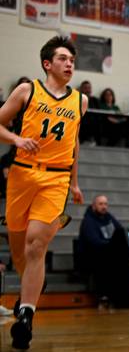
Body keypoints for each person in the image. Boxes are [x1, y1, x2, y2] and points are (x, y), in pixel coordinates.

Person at [0, 36, 86, 350]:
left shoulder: (81, 101)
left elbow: (74, 143)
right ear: (47, 64)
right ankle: (30, 286)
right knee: (20, 251)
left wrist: (74, 182)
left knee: (37, 244)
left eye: (72, 60)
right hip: (22, 174)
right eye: (63, 58)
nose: (69, 64)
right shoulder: (28, 91)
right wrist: (16, 140)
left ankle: (26, 315)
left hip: (56, 179)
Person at [78, 195, 125, 300]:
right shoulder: (88, 221)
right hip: (90, 255)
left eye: (105, 204)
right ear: (94, 206)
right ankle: (104, 294)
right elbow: (94, 242)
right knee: (106, 261)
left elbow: (121, 231)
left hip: (107, 251)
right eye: (100, 204)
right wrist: (112, 246)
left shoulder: (108, 217)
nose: (104, 206)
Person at [77, 80, 100, 145]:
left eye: (89, 88)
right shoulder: (77, 99)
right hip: (82, 121)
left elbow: (99, 113)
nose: (87, 90)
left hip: (93, 122)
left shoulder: (95, 100)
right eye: (85, 88)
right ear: (81, 89)